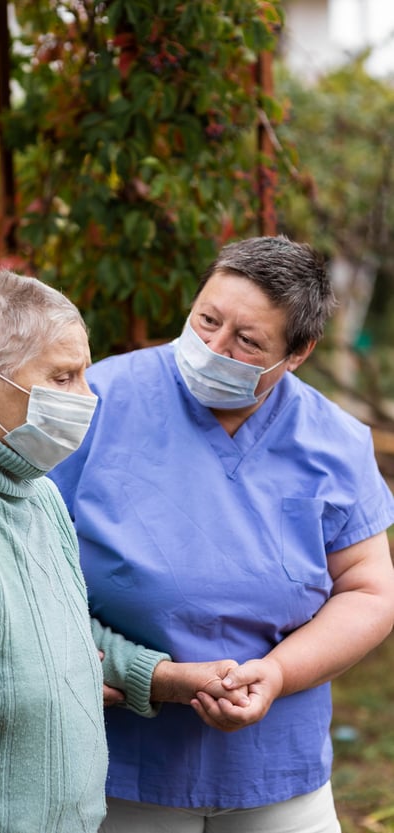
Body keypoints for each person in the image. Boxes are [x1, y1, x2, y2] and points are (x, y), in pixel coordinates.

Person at [48, 235, 394, 833]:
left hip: (275, 768)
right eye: (206, 319)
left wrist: (279, 673)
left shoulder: (335, 442)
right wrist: (143, 674)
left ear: (298, 353)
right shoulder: (101, 399)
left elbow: (368, 591)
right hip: (122, 760)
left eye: (247, 341)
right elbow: (25, 563)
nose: (212, 347)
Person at [0, 269, 252, 833]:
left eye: (84, 374)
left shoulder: (38, 495)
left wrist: (172, 679)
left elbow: (61, 633)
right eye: (63, 377)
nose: (87, 397)